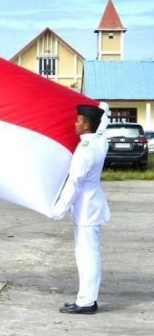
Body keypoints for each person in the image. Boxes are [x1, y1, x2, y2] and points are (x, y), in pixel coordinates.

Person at [51, 103, 110, 315]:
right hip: (92, 204)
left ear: (86, 125)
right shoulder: (99, 141)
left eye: (78, 120)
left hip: (86, 207)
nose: (75, 123)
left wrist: (59, 209)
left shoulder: (85, 151)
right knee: (87, 253)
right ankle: (87, 298)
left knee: (87, 256)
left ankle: (86, 302)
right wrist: (104, 109)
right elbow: (104, 124)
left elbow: (73, 183)